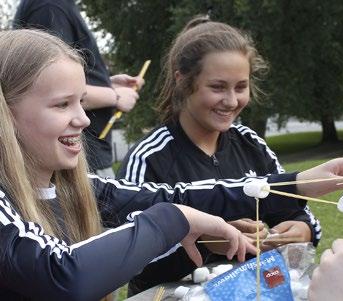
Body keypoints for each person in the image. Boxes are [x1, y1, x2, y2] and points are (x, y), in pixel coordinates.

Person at [0, 28, 260, 300]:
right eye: (62, 104)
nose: (84, 119)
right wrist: (173, 218)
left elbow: (175, 195)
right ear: (6, 114)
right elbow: (62, 275)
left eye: (82, 102)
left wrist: (295, 185)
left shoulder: (77, 188)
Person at [117, 16, 322, 294]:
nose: (231, 101)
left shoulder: (252, 145)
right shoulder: (149, 158)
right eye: (217, 87)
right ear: (183, 80)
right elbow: (127, 259)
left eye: (240, 87)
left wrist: (302, 229)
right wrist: (203, 240)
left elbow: (302, 212)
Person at [13, 0, 144, 178]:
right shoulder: (50, 7)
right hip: (79, 163)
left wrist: (107, 83)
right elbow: (51, 86)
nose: (84, 120)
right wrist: (115, 97)